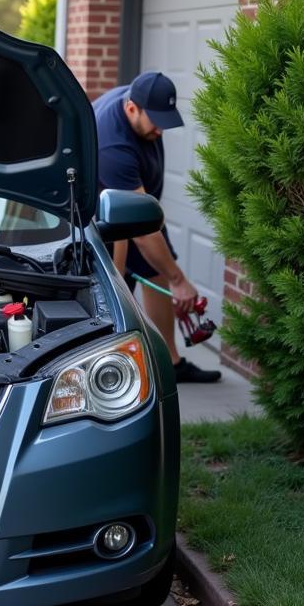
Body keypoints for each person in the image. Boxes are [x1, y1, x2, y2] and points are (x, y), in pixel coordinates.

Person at [93, 71, 221, 383]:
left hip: (132, 207)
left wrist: (171, 276)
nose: (161, 130)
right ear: (132, 109)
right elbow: (139, 228)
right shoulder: (113, 147)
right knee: (114, 293)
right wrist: (180, 281)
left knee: (156, 271)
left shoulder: (136, 98)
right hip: (103, 219)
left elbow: (145, 225)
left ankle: (171, 364)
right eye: (156, 121)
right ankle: (111, 370)